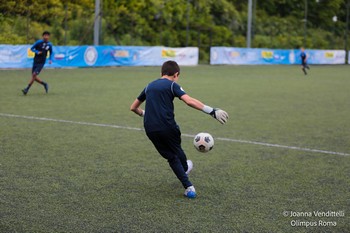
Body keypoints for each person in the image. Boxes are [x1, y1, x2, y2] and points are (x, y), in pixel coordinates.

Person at [130, 60, 229, 198]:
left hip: (150, 128)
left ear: (161, 73)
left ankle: (189, 186)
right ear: (176, 74)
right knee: (176, 149)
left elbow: (133, 107)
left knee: (171, 157)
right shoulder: (172, 85)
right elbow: (189, 101)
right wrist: (212, 111)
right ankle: (186, 171)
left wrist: (146, 114)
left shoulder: (149, 86)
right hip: (167, 126)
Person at [22, 31, 53, 95]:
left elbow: (51, 53)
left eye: (47, 35)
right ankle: (44, 84)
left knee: (34, 75)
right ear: (43, 36)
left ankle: (26, 89)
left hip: (41, 62)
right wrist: (37, 52)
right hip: (35, 61)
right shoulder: (39, 42)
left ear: (49, 37)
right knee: (34, 77)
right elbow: (32, 48)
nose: (46, 37)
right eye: (45, 35)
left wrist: (50, 59)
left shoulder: (49, 44)